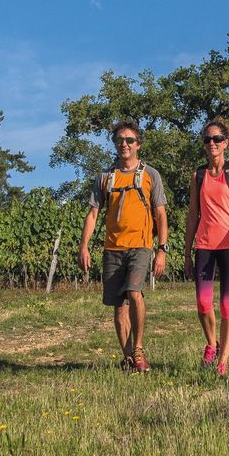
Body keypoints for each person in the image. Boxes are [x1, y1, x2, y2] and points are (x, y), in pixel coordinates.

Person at [78, 121, 168, 373]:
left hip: (140, 246)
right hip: (112, 248)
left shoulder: (150, 175)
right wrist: (83, 246)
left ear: (138, 144)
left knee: (134, 293)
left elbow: (160, 215)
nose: (124, 144)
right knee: (119, 304)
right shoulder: (105, 177)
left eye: (129, 140)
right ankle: (128, 357)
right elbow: (93, 214)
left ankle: (138, 349)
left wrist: (162, 249)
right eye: (119, 140)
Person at [185, 117, 229, 377]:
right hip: (204, 245)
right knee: (202, 303)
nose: (212, 143)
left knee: (227, 305)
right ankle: (212, 343)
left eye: (217, 139)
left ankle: (222, 362)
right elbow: (192, 214)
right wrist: (187, 252)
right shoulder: (198, 175)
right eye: (207, 139)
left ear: (227, 143)